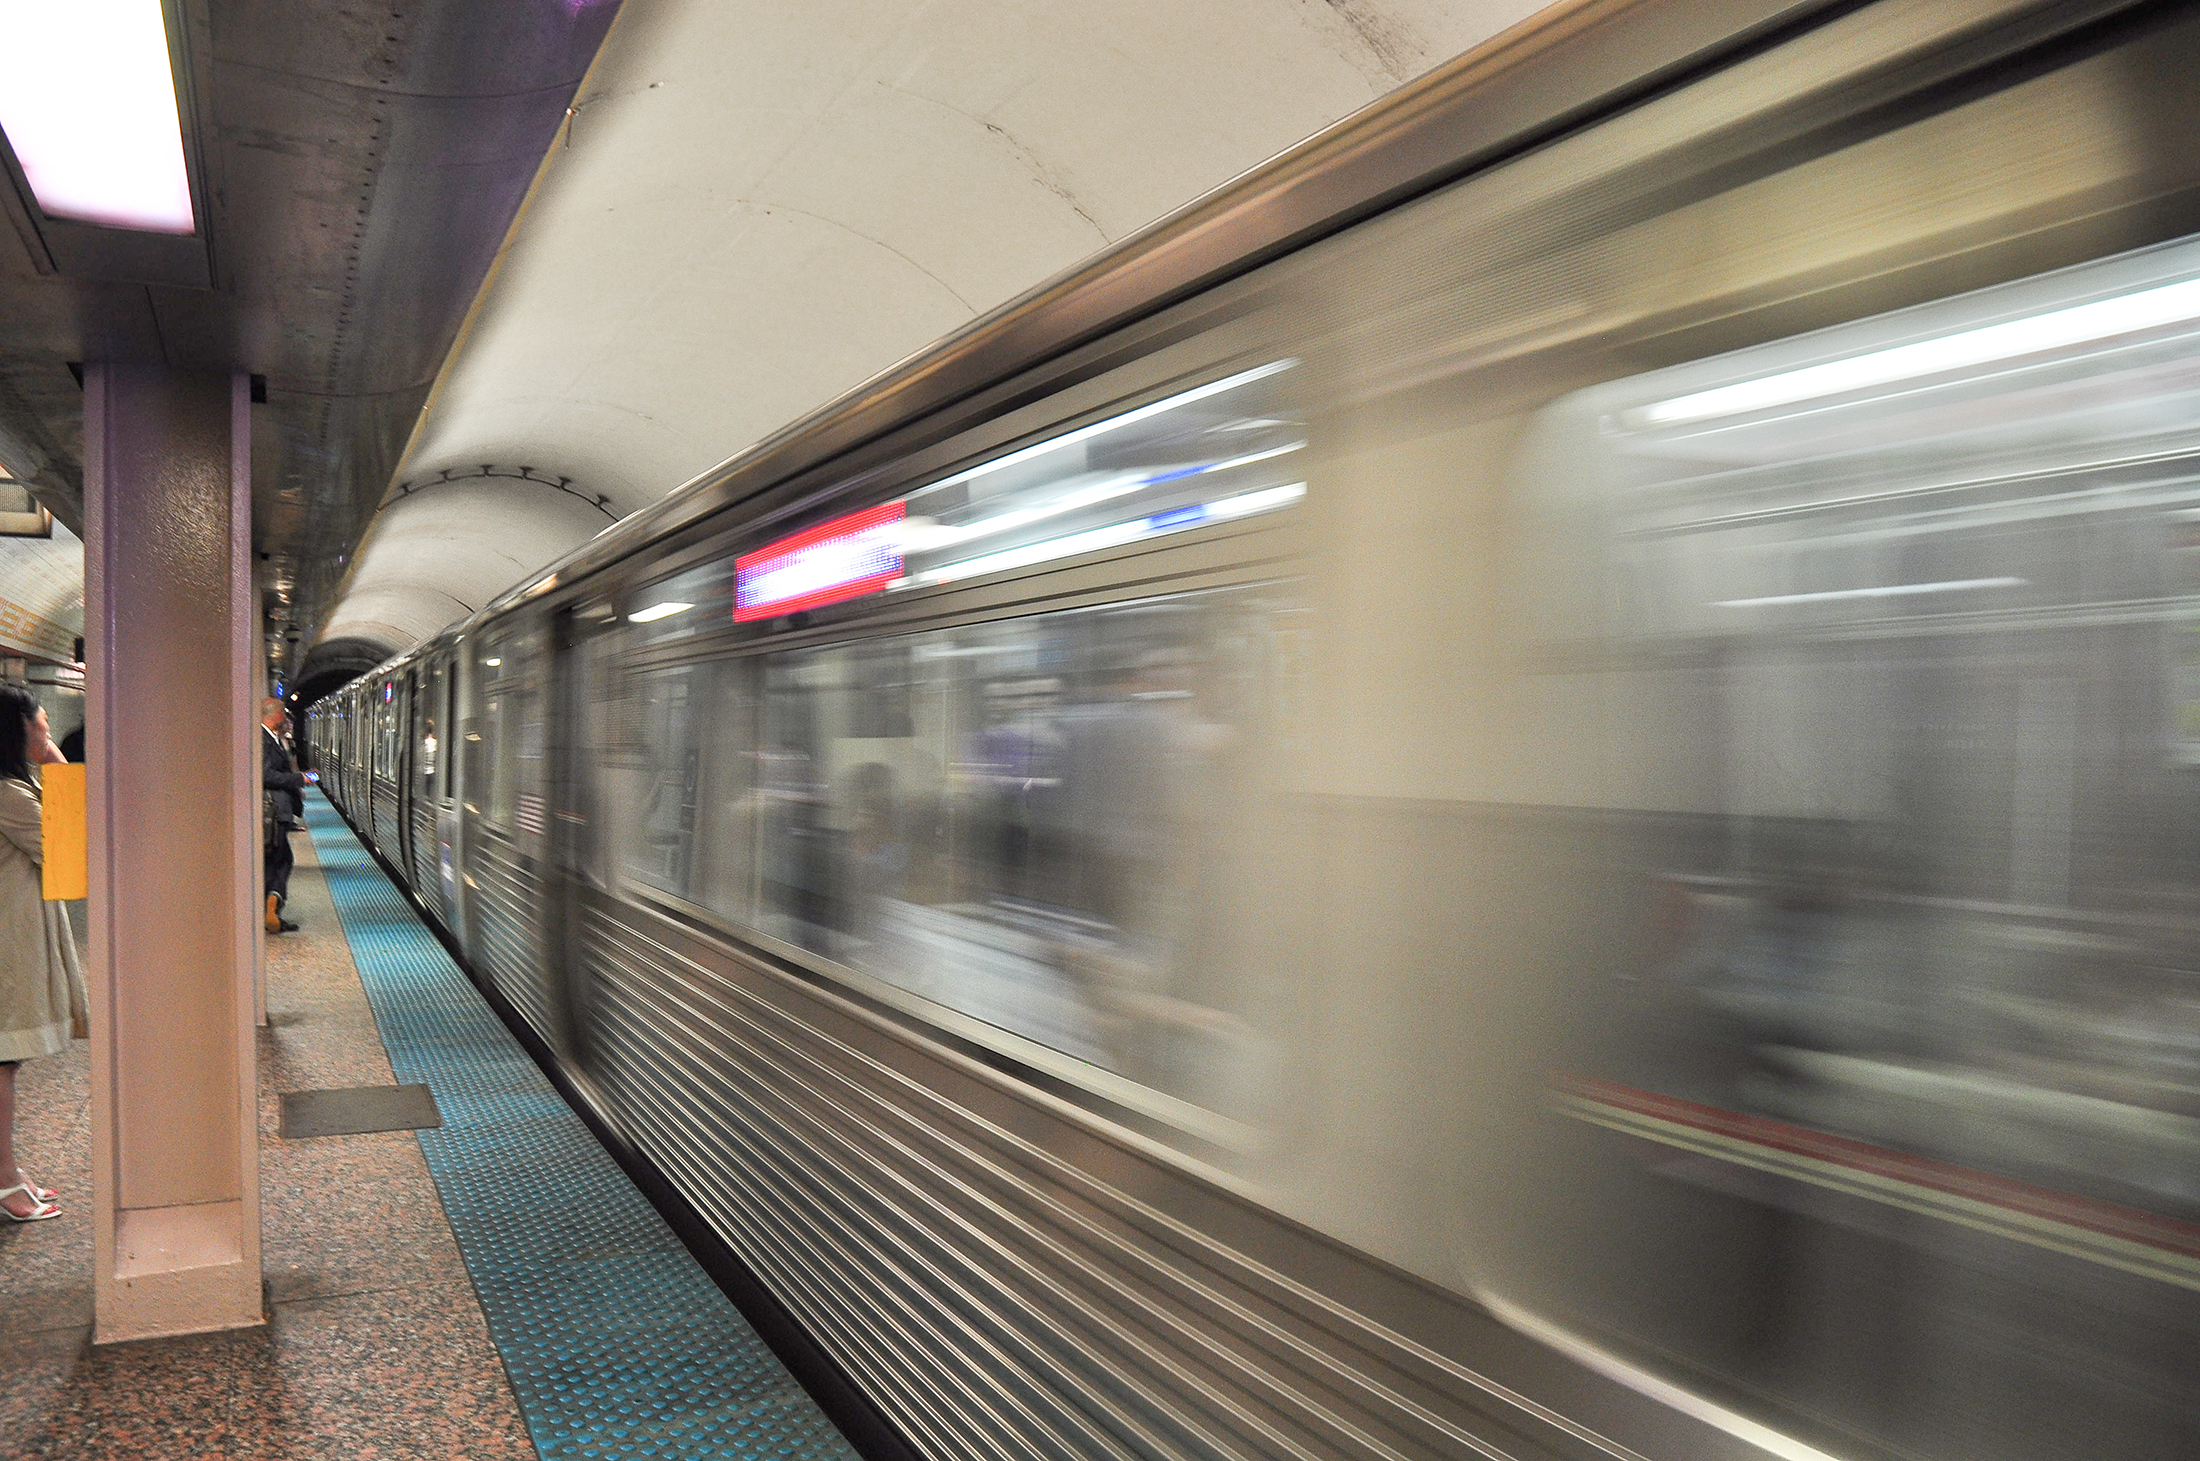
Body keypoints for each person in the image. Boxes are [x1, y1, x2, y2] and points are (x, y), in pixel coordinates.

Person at [0, 685, 85, 1221]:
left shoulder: (10, 787)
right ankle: (5, 1183)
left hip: (12, 937)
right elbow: (73, 852)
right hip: (6, 946)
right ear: (17, 731)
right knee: (3, 1062)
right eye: (42, 727)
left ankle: (7, 1169)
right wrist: (58, 762)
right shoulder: (7, 793)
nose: (48, 735)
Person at [262, 698, 307, 934]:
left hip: (277, 812)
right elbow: (266, 774)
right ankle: (272, 909)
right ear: (277, 716)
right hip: (273, 812)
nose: (287, 720)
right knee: (282, 860)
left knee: (276, 861)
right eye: (284, 716)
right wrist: (298, 779)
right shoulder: (264, 739)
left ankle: (271, 909)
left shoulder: (272, 738)